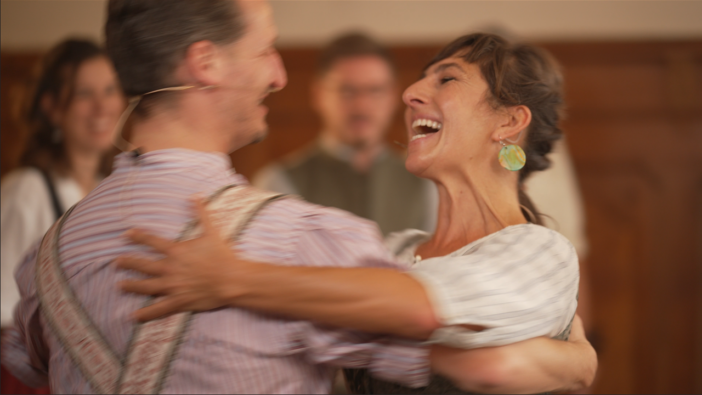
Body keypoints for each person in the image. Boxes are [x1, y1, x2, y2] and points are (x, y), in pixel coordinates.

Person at [0, 2, 593, 393]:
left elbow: (25, 357)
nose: (410, 93)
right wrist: (574, 362)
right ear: (204, 62)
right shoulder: (330, 245)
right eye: (266, 50)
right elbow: (474, 354)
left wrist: (235, 278)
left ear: (508, 124)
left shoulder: (51, 249)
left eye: (446, 79)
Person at [254, 33, 437, 235]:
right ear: (318, 95)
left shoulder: (426, 184)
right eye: (347, 91)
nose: (361, 106)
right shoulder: (278, 184)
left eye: (375, 90)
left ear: (393, 96)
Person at [1, 38, 124, 328]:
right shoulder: (26, 191)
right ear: (52, 108)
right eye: (84, 93)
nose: (102, 106)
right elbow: (5, 312)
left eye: (110, 90)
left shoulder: (111, 189)